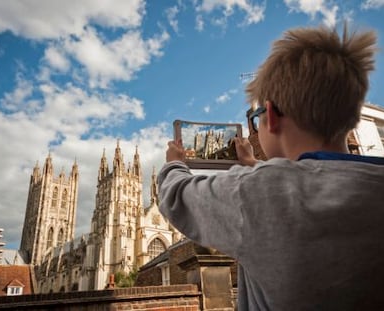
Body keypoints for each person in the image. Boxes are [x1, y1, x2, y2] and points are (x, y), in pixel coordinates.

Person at [158, 25, 384, 310]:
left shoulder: (254, 192)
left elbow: (175, 196)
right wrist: (253, 164)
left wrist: (174, 162)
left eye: (256, 117)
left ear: (272, 116)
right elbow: (313, 176)